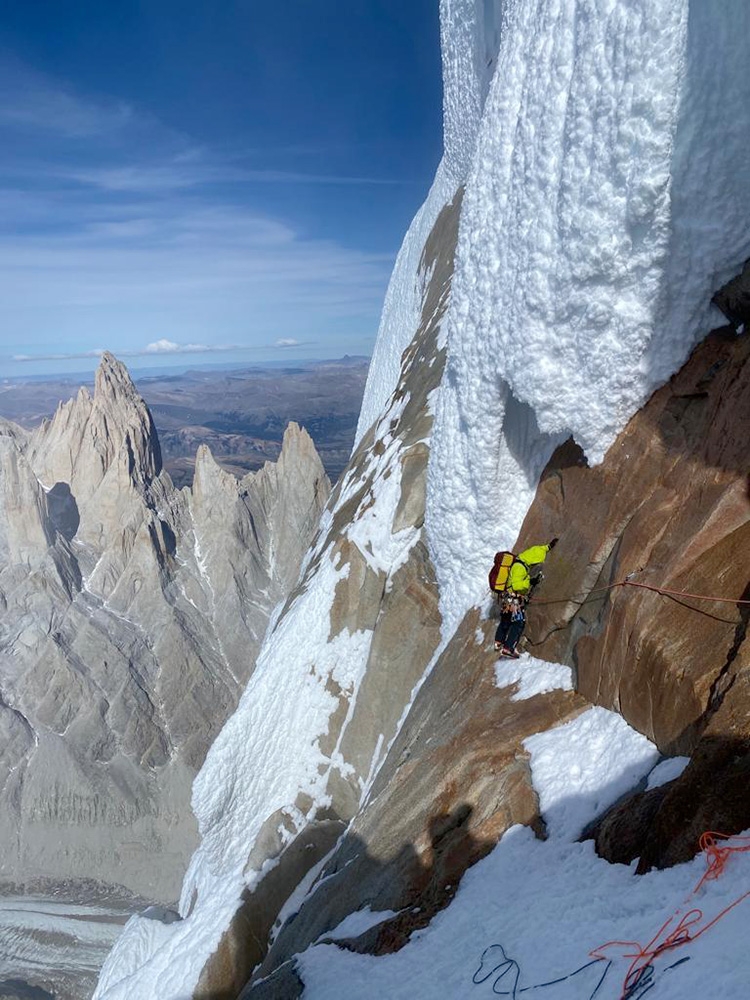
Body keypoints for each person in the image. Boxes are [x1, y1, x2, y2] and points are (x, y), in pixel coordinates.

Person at [494, 539, 558, 657]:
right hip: (513, 598)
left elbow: (534, 551)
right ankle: (508, 648)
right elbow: (517, 585)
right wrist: (530, 581)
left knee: (506, 619)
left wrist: (548, 547)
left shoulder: (519, 560)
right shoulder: (520, 567)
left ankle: (499, 641)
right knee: (519, 622)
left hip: (506, 597)